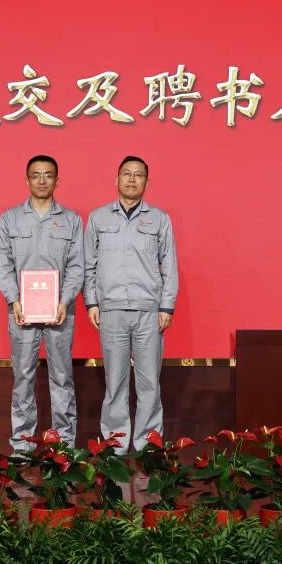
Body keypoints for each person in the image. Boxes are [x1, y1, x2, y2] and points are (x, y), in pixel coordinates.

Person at [83, 155, 178, 454]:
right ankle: (116, 442)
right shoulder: (98, 218)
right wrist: (91, 302)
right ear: (116, 179)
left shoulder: (160, 219)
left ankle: (148, 441)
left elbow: (169, 265)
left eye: (139, 175)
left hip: (149, 311)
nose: (132, 179)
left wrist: (166, 306)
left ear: (147, 182)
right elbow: (88, 264)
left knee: (149, 381)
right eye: (127, 173)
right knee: (115, 381)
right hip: (110, 309)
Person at [0, 155, 83, 451]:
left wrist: (65, 300)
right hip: (21, 312)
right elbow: (3, 264)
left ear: (57, 180)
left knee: (62, 378)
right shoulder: (10, 219)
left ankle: (64, 445)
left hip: (60, 312)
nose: (42, 180)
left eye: (48, 175)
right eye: (36, 175)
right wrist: (13, 299)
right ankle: (22, 444)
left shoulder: (71, 220)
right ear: (27, 180)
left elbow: (77, 266)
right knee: (22, 378)